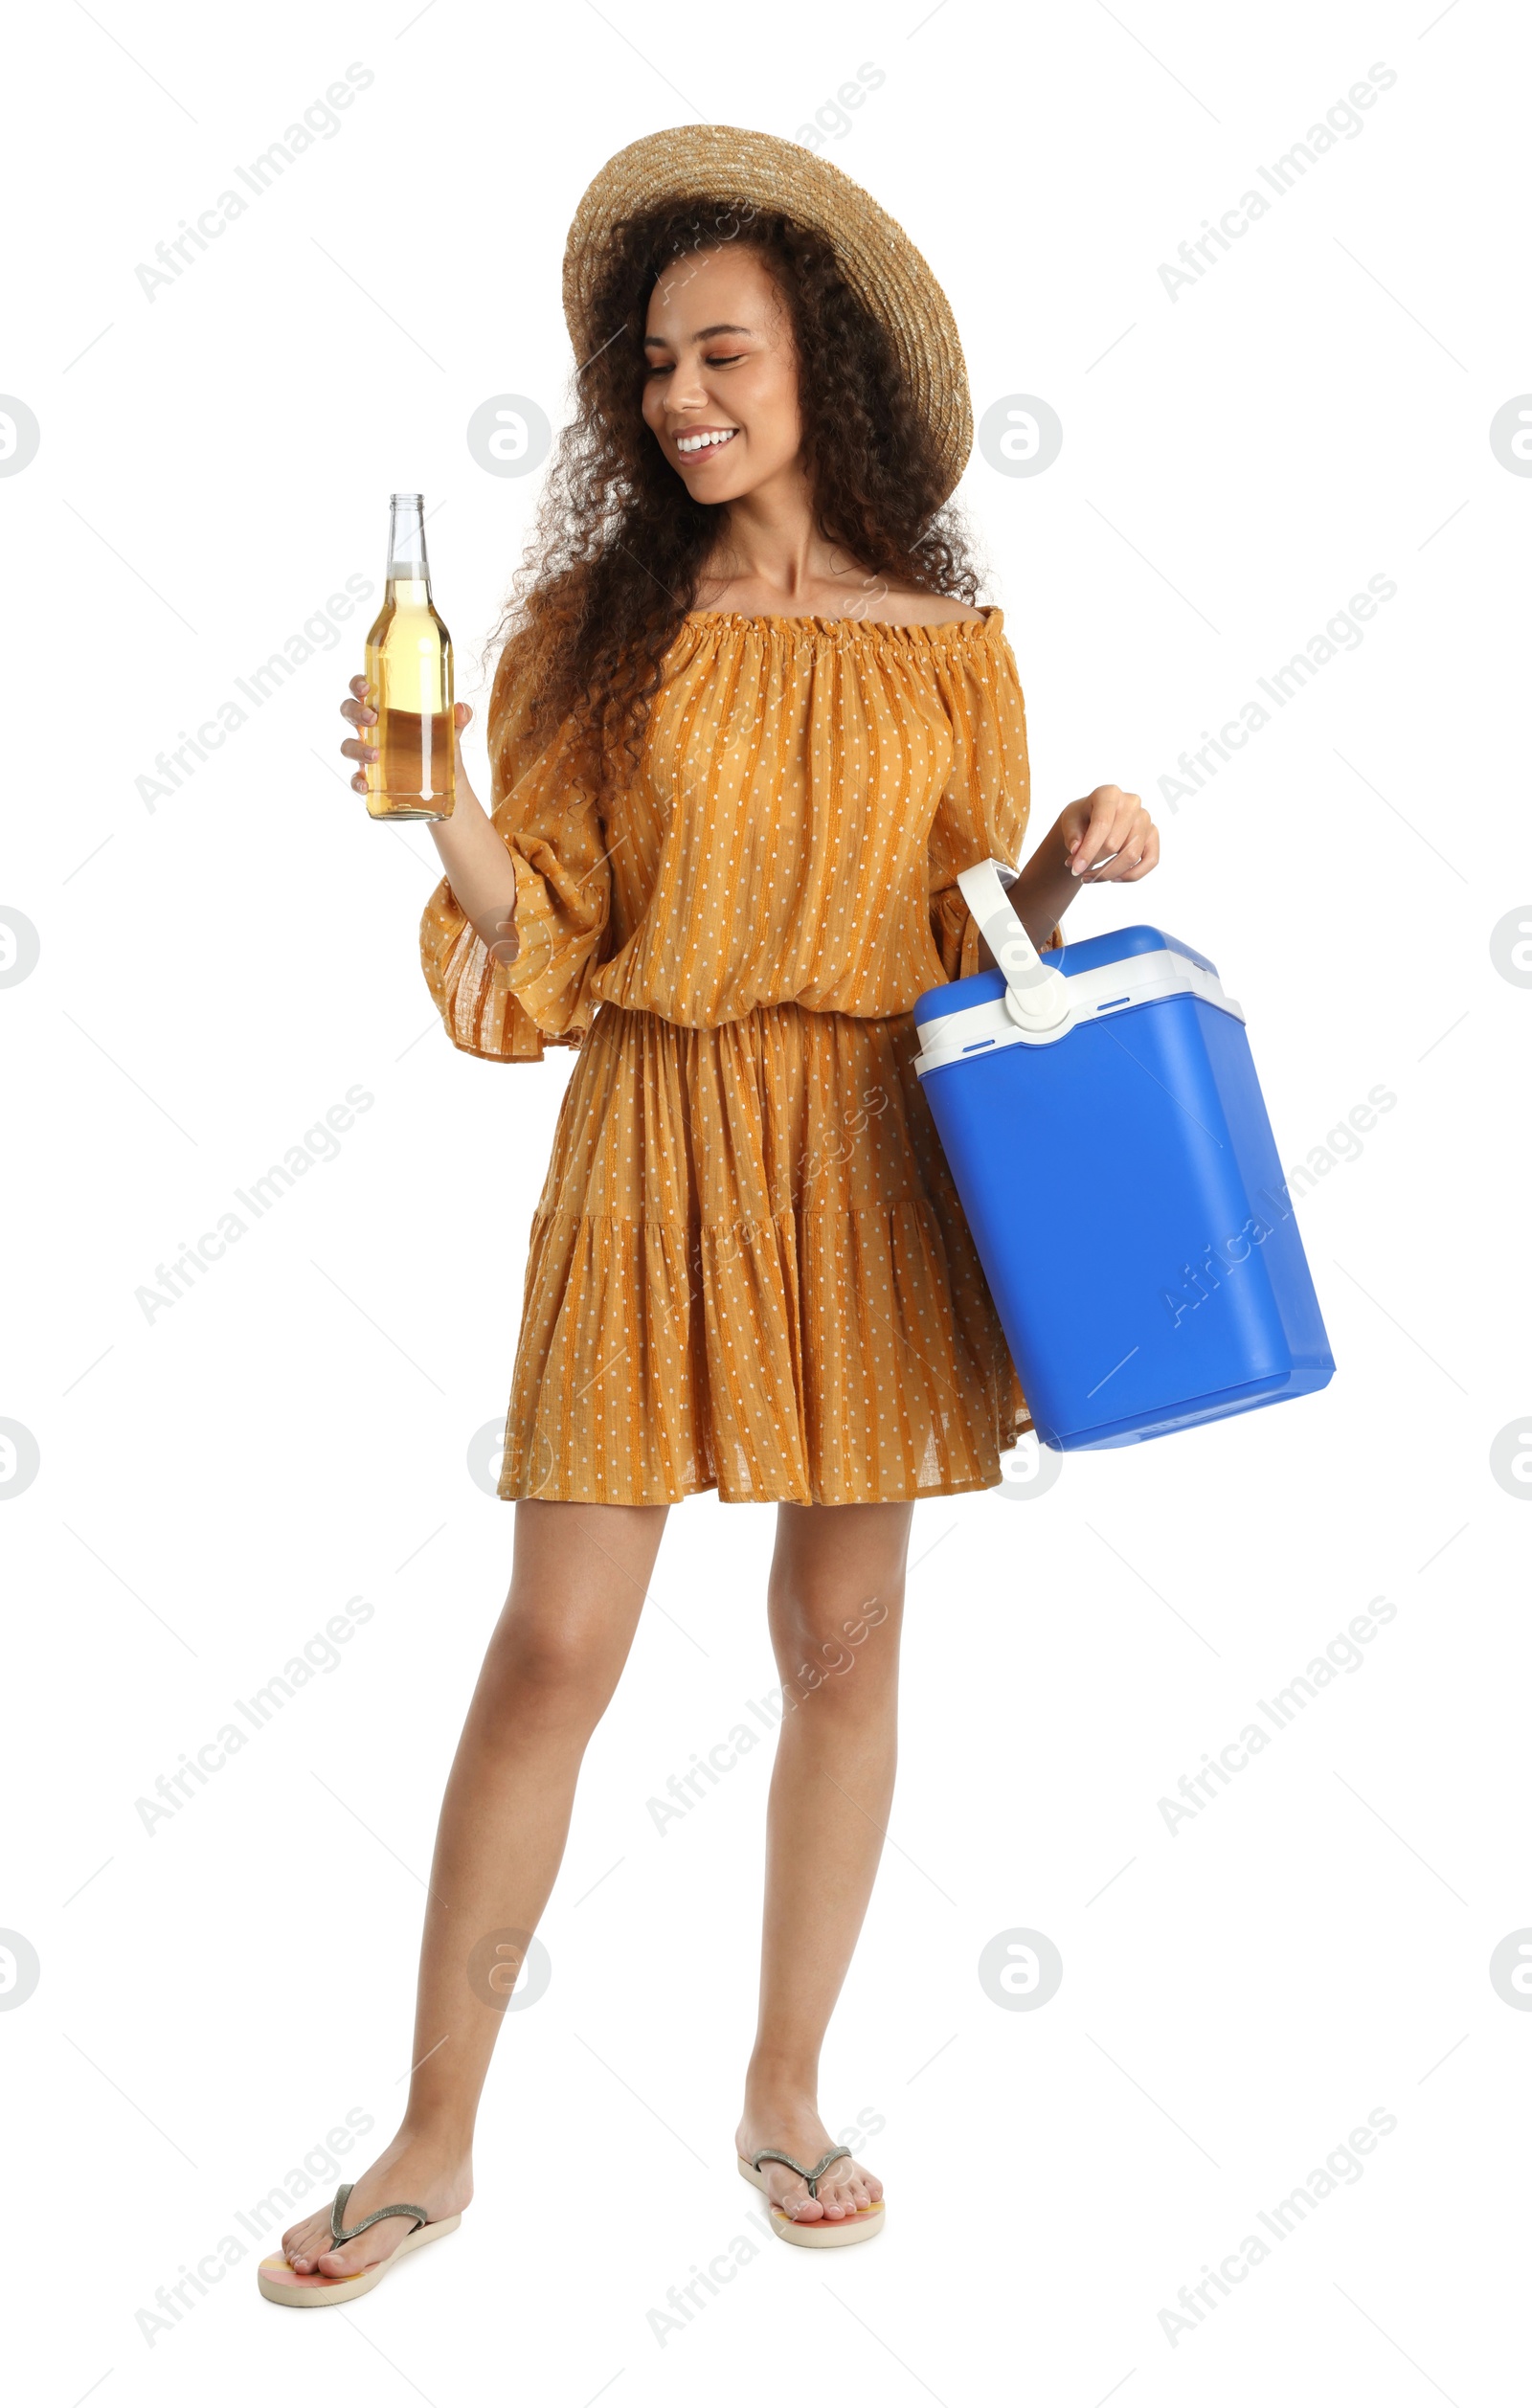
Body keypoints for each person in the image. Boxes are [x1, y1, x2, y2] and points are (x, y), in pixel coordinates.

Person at [259, 124, 1159, 2307]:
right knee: (552, 1644)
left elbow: (967, 950)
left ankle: (783, 2090)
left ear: (814, 365)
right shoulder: (596, 629)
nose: (676, 395)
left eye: (720, 351)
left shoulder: (947, 642)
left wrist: (1065, 858)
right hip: (653, 1137)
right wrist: (439, 799)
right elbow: (545, 936)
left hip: (869, 1163)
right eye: (651, 362)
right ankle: (431, 2132)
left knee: (836, 1646)